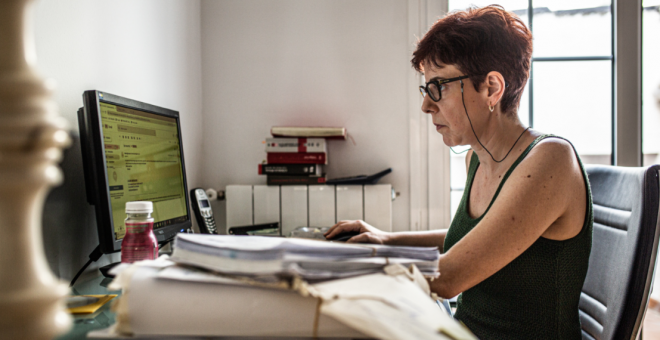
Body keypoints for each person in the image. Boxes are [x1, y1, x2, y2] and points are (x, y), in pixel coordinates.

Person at [324, 5, 592, 340]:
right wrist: (386, 239)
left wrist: (328, 266)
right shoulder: (477, 159)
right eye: (426, 89)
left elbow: (448, 278)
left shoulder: (550, 159)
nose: (426, 105)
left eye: (438, 87)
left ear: (492, 88)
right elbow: (472, 242)